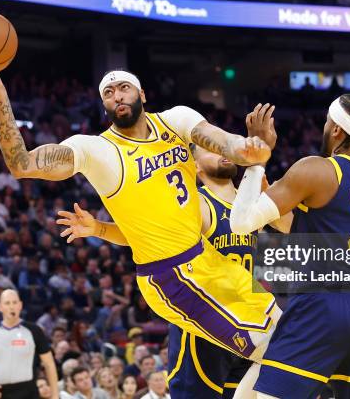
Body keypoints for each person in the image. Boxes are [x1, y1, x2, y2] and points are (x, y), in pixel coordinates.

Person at [0, 56, 280, 371]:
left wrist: (252, 148)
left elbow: (225, 143)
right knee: (275, 347)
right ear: (104, 105)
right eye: (108, 93)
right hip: (172, 277)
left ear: (142, 94)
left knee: (289, 330)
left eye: (124, 88)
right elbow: (21, 165)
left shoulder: (176, 119)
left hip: (210, 260)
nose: (116, 96)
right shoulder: (98, 151)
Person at [58, 144, 292, 398]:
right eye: (211, 149)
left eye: (223, 145)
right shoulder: (193, 201)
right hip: (202, 324)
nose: (222, 151)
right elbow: (146, 234)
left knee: (279, 357)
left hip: (248, 314)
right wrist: (99, 229)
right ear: (195, 164)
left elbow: (292, 232)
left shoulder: (252, 199)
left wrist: (273, 192)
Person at [230, 95, 350, 398]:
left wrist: (257, 160)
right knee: (247, 393)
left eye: (327, 123)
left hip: (320, 306)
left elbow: (241, 223)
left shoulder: (316, 170)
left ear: (336, 130)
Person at [0, 289, 59, 399]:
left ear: (20, 305)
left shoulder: (34, 330)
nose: (11, 307)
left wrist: (55, 396)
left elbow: (49, 364)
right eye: (7, 303)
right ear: (0, 307)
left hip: (29, 392)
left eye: (14, 302)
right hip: (1, 393)